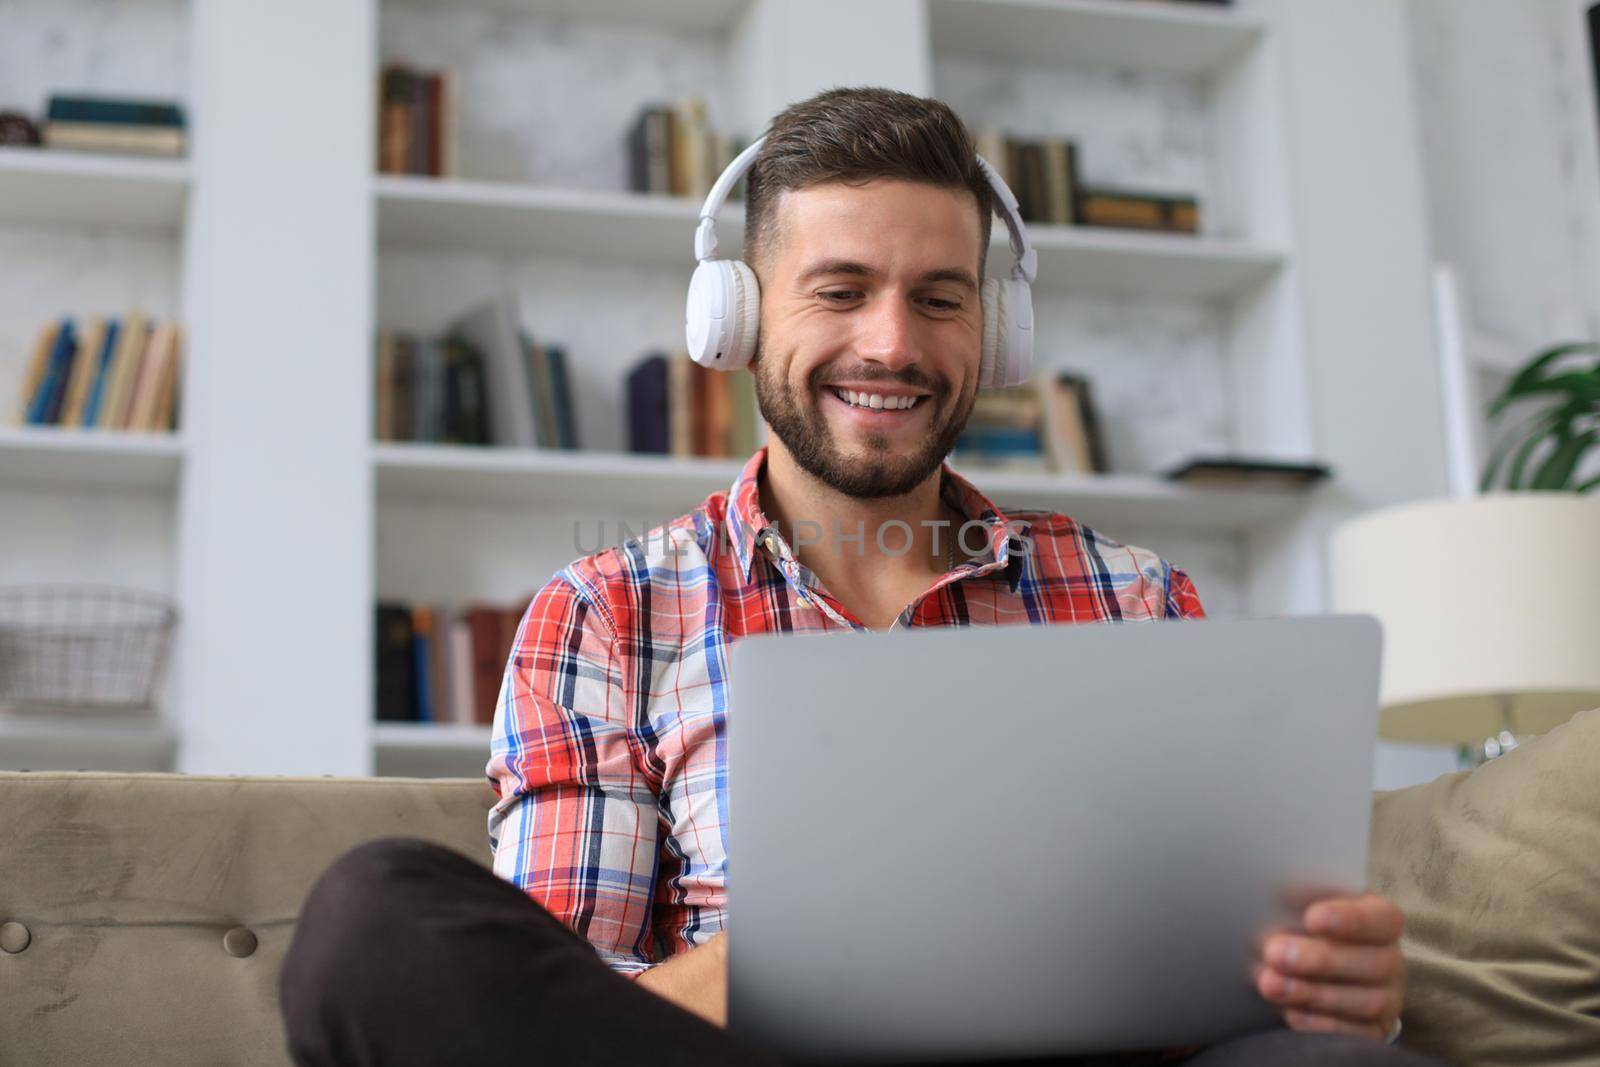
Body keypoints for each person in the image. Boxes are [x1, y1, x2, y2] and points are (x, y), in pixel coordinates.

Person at [280, 87, 1441, 1066]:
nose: (891, 343)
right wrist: (813, 952)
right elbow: (563, 1005)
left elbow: (1226, 964)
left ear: (993, 330)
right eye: (839, 290)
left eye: (939, 298)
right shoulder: (606, 612)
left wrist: (1338, 980)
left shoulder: (1137, 597)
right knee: (372, 918)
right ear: (736, 318)